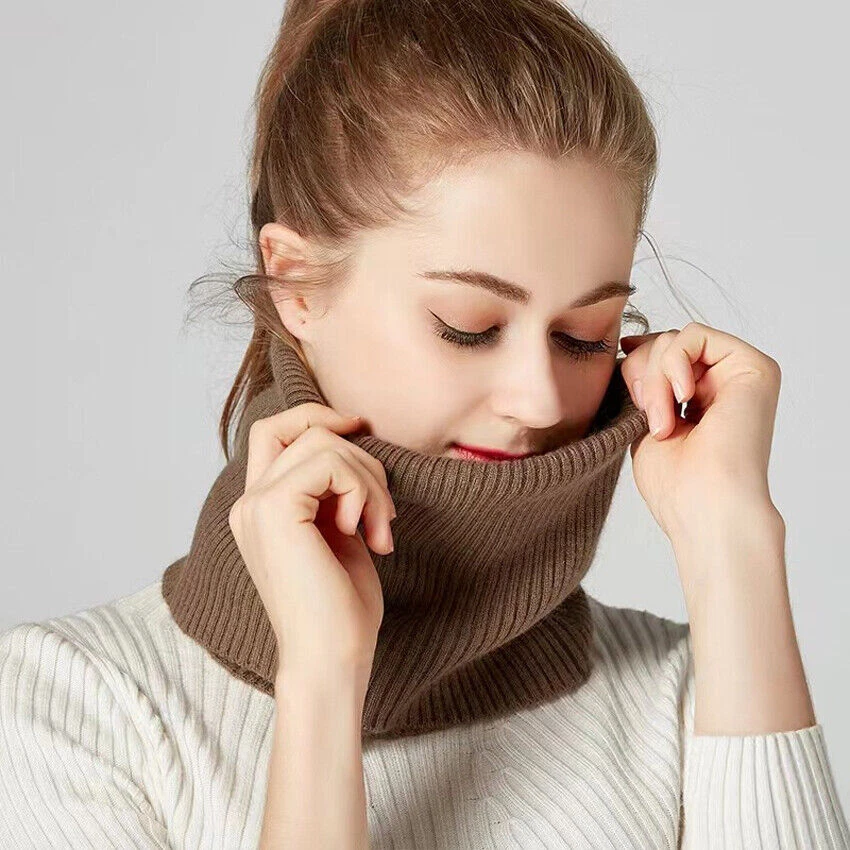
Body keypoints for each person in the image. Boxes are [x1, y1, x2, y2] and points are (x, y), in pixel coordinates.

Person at [1, 1, 848, 848]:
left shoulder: (696, 695)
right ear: (295, 284)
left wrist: (732, 540)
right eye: (467, 328)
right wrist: (323, 684)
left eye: (585, 336)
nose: (540, 401)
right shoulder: (75, 709)